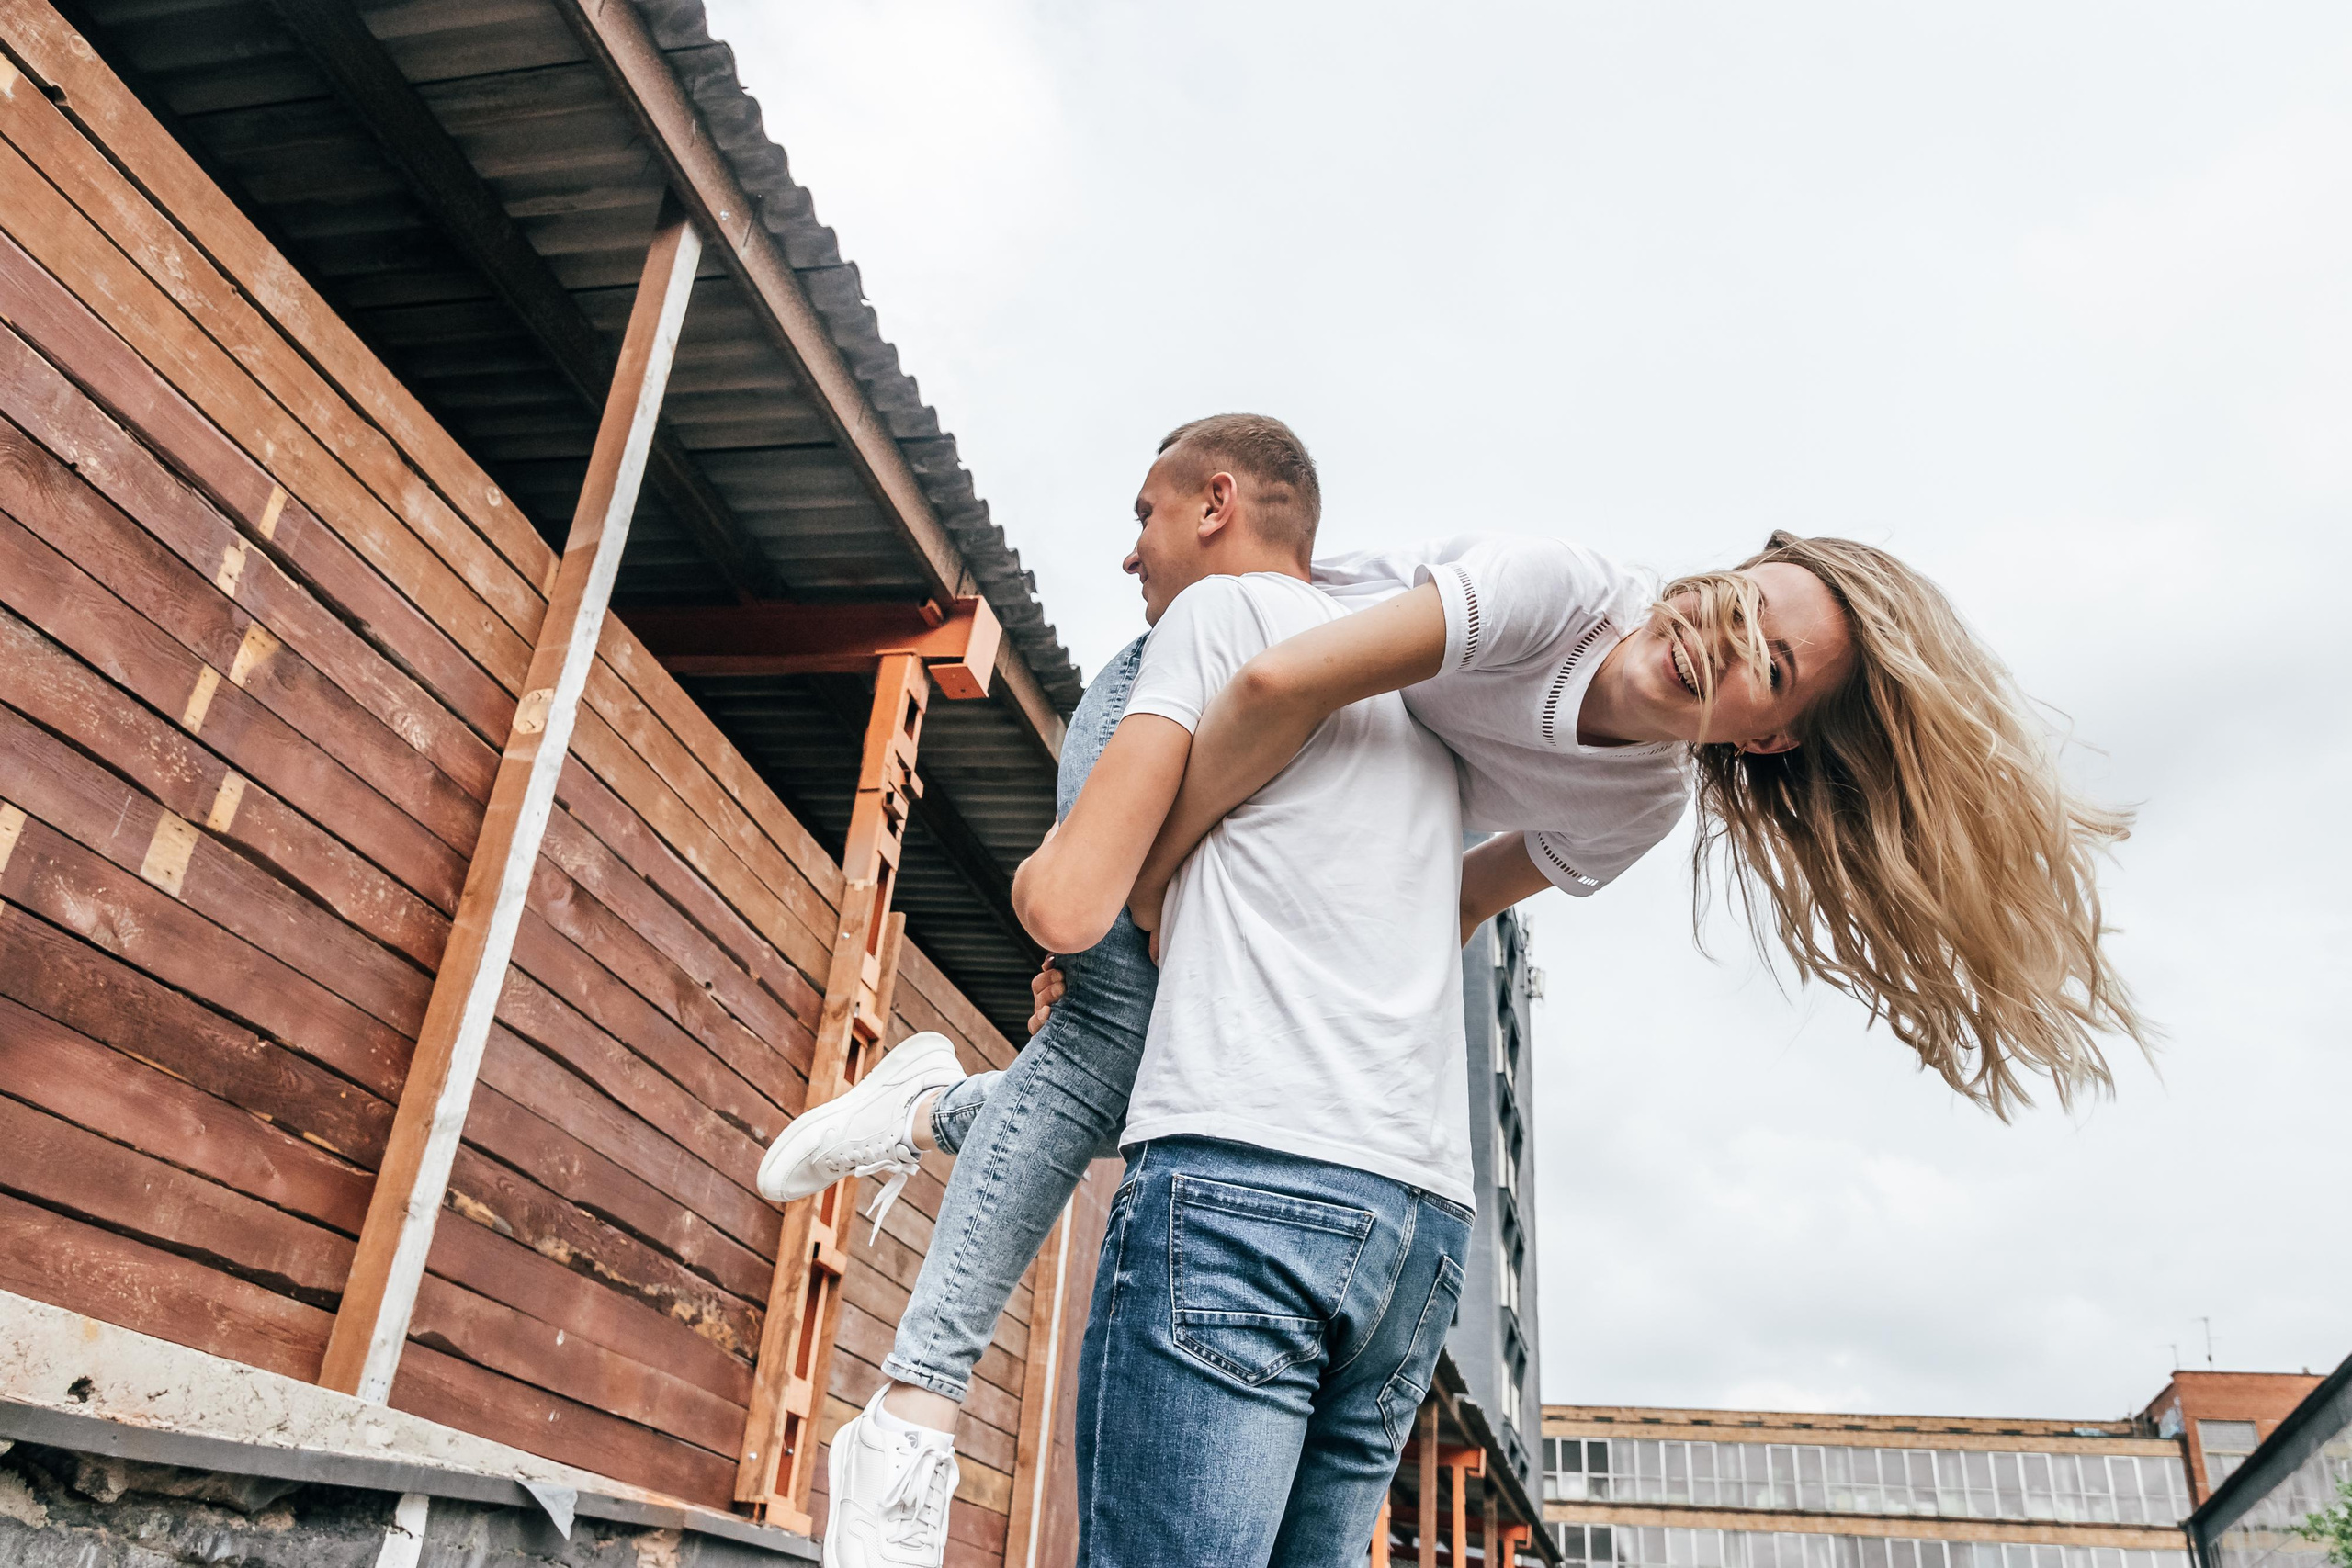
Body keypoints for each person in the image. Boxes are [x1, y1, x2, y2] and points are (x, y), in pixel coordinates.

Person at [763, 417, 2146, 1565]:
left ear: (1770, 734)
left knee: (1158, 1071)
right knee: (1108, 1047)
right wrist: (1148, 889)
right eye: (1736, 606)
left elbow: (1450, 904)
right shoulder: (1556, 586)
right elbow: (1270, 684)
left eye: (1763, 670)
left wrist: (1276, 972)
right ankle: (915, 1411)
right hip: (1205, 692)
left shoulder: (1643, 801)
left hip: (1325, 823)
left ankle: (941, 1111)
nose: (1714, 648)